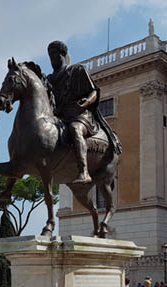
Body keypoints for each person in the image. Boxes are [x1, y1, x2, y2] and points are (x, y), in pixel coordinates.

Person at [46, 40, 121, 185]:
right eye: (50, 56)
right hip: (61, 117)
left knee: (75, 129)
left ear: (63, 54)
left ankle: (84, 171)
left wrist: (86, 102)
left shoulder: (77, 70)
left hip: (80, 115)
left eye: (54, 55)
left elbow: (93, 91)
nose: (52, 59)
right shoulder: (49, 79)